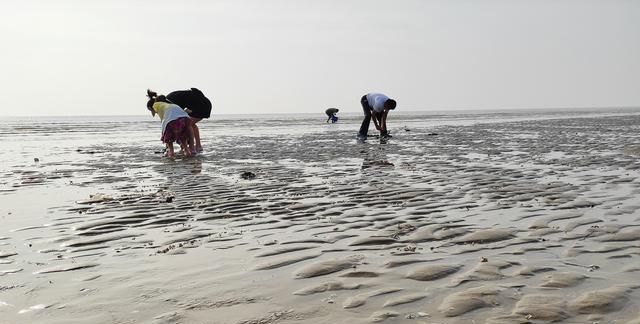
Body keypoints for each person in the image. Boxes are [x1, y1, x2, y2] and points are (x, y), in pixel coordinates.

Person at [148, 88, 212, 153]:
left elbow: (169, 125)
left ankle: (195, 147)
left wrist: (168, 147)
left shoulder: (169, 103)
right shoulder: (167, 100)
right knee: (189, 124)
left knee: (188, 125)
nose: (156, 113)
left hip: (201, 105)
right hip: (203, 103)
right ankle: (194, 146)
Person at [146, 90, 195, 158]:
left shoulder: (155, 105)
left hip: (172, 120)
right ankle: (187, 151)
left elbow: (164, 122)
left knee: (168, 138)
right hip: (185, 119)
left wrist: (164, 135)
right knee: (183, 137)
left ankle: (171, 153)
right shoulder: (170, 104)